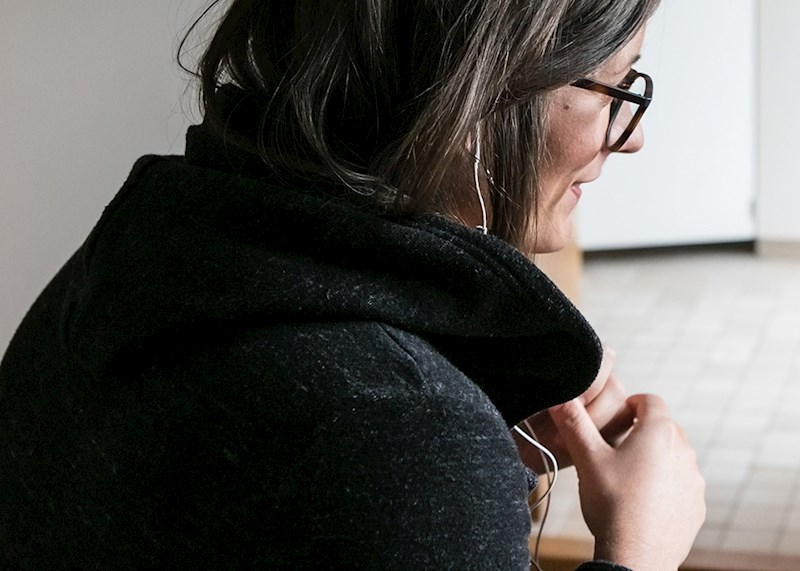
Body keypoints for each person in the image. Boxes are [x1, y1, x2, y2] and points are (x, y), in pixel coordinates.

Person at [0, 0, 705, 569]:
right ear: (482, 86)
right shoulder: (404, 426)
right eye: (617, 86)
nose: (631, 136)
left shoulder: (151, 238)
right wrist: (639, 550)